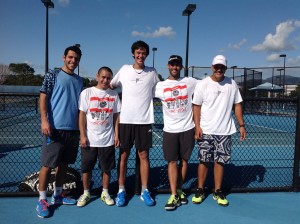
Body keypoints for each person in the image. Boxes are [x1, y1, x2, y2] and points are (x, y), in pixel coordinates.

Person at [191, 55, 246, 206]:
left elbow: (237, 105)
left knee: (220, 162)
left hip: (224, 131)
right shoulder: (202, 84)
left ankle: (217, 191)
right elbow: (196, 106)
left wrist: (241, 125)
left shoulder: (232, 84)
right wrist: (197, 127)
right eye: (216, 66)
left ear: (225, 68)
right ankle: (200, 189)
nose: (219, 69)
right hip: (206, 130)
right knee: (203, 160)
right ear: (212, 67)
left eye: (221, 67)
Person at [110, 40, 159, 207]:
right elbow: (111, 85)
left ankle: (145, 190)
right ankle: (121, 190)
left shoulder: (152, 72)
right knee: (123, 156)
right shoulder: (124, 70)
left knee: (144, 156)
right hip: (125, 120)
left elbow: (159, 90)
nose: (141, 55)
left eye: (143, 53)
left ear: (146, 55)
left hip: (144, 121)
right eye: (138, 53)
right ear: (133, 54)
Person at [36, 45, 83, 218]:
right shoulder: (52, 75)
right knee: (47, 166)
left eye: (76, 59)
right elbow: (43, 96)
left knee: (63, 165)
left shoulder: (79, 80)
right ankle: (42, 200)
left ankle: (58, 195)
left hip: (72, 130)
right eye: (70, 57)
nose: (73, 61)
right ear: (64, 57)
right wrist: (44, 120)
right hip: (54, 128)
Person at [154, 55, 198, 211]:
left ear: (181, 67)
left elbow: (208, 86)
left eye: (177, 64)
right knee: (172, 162)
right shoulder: (160, 86)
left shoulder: (190, 82)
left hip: (188, 128)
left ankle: (179, 190)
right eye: (172, 64)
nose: (174, 67)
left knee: (185, 161)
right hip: (170, 130)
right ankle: (173, 194)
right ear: (168, 66)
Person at [76, 67, 121, 207]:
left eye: (108, 78)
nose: (105, 80)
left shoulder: (113, 95)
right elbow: (82, 115)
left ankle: (105, 192)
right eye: (103, 77)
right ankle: (86, 193)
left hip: (107, 140)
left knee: (106, 169)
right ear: (97, 76)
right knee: (86, 169)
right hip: (89, 140)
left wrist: (116, 135)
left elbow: (116, 117)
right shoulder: (87, 93)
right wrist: (82, 135)